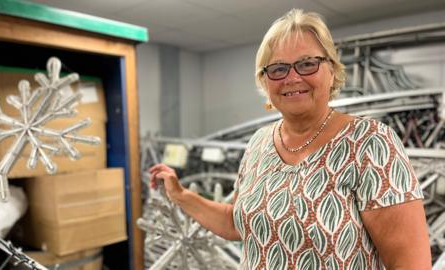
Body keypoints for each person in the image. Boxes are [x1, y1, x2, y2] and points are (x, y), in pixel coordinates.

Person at [149, 8, 431, 269]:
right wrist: (181, 195)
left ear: (331, 71)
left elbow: (410, 265)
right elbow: (235, 222)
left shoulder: (371, 143)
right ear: (265, 81)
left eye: (307, 63)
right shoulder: (259, 143)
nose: (292, 77)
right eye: (278, 69)